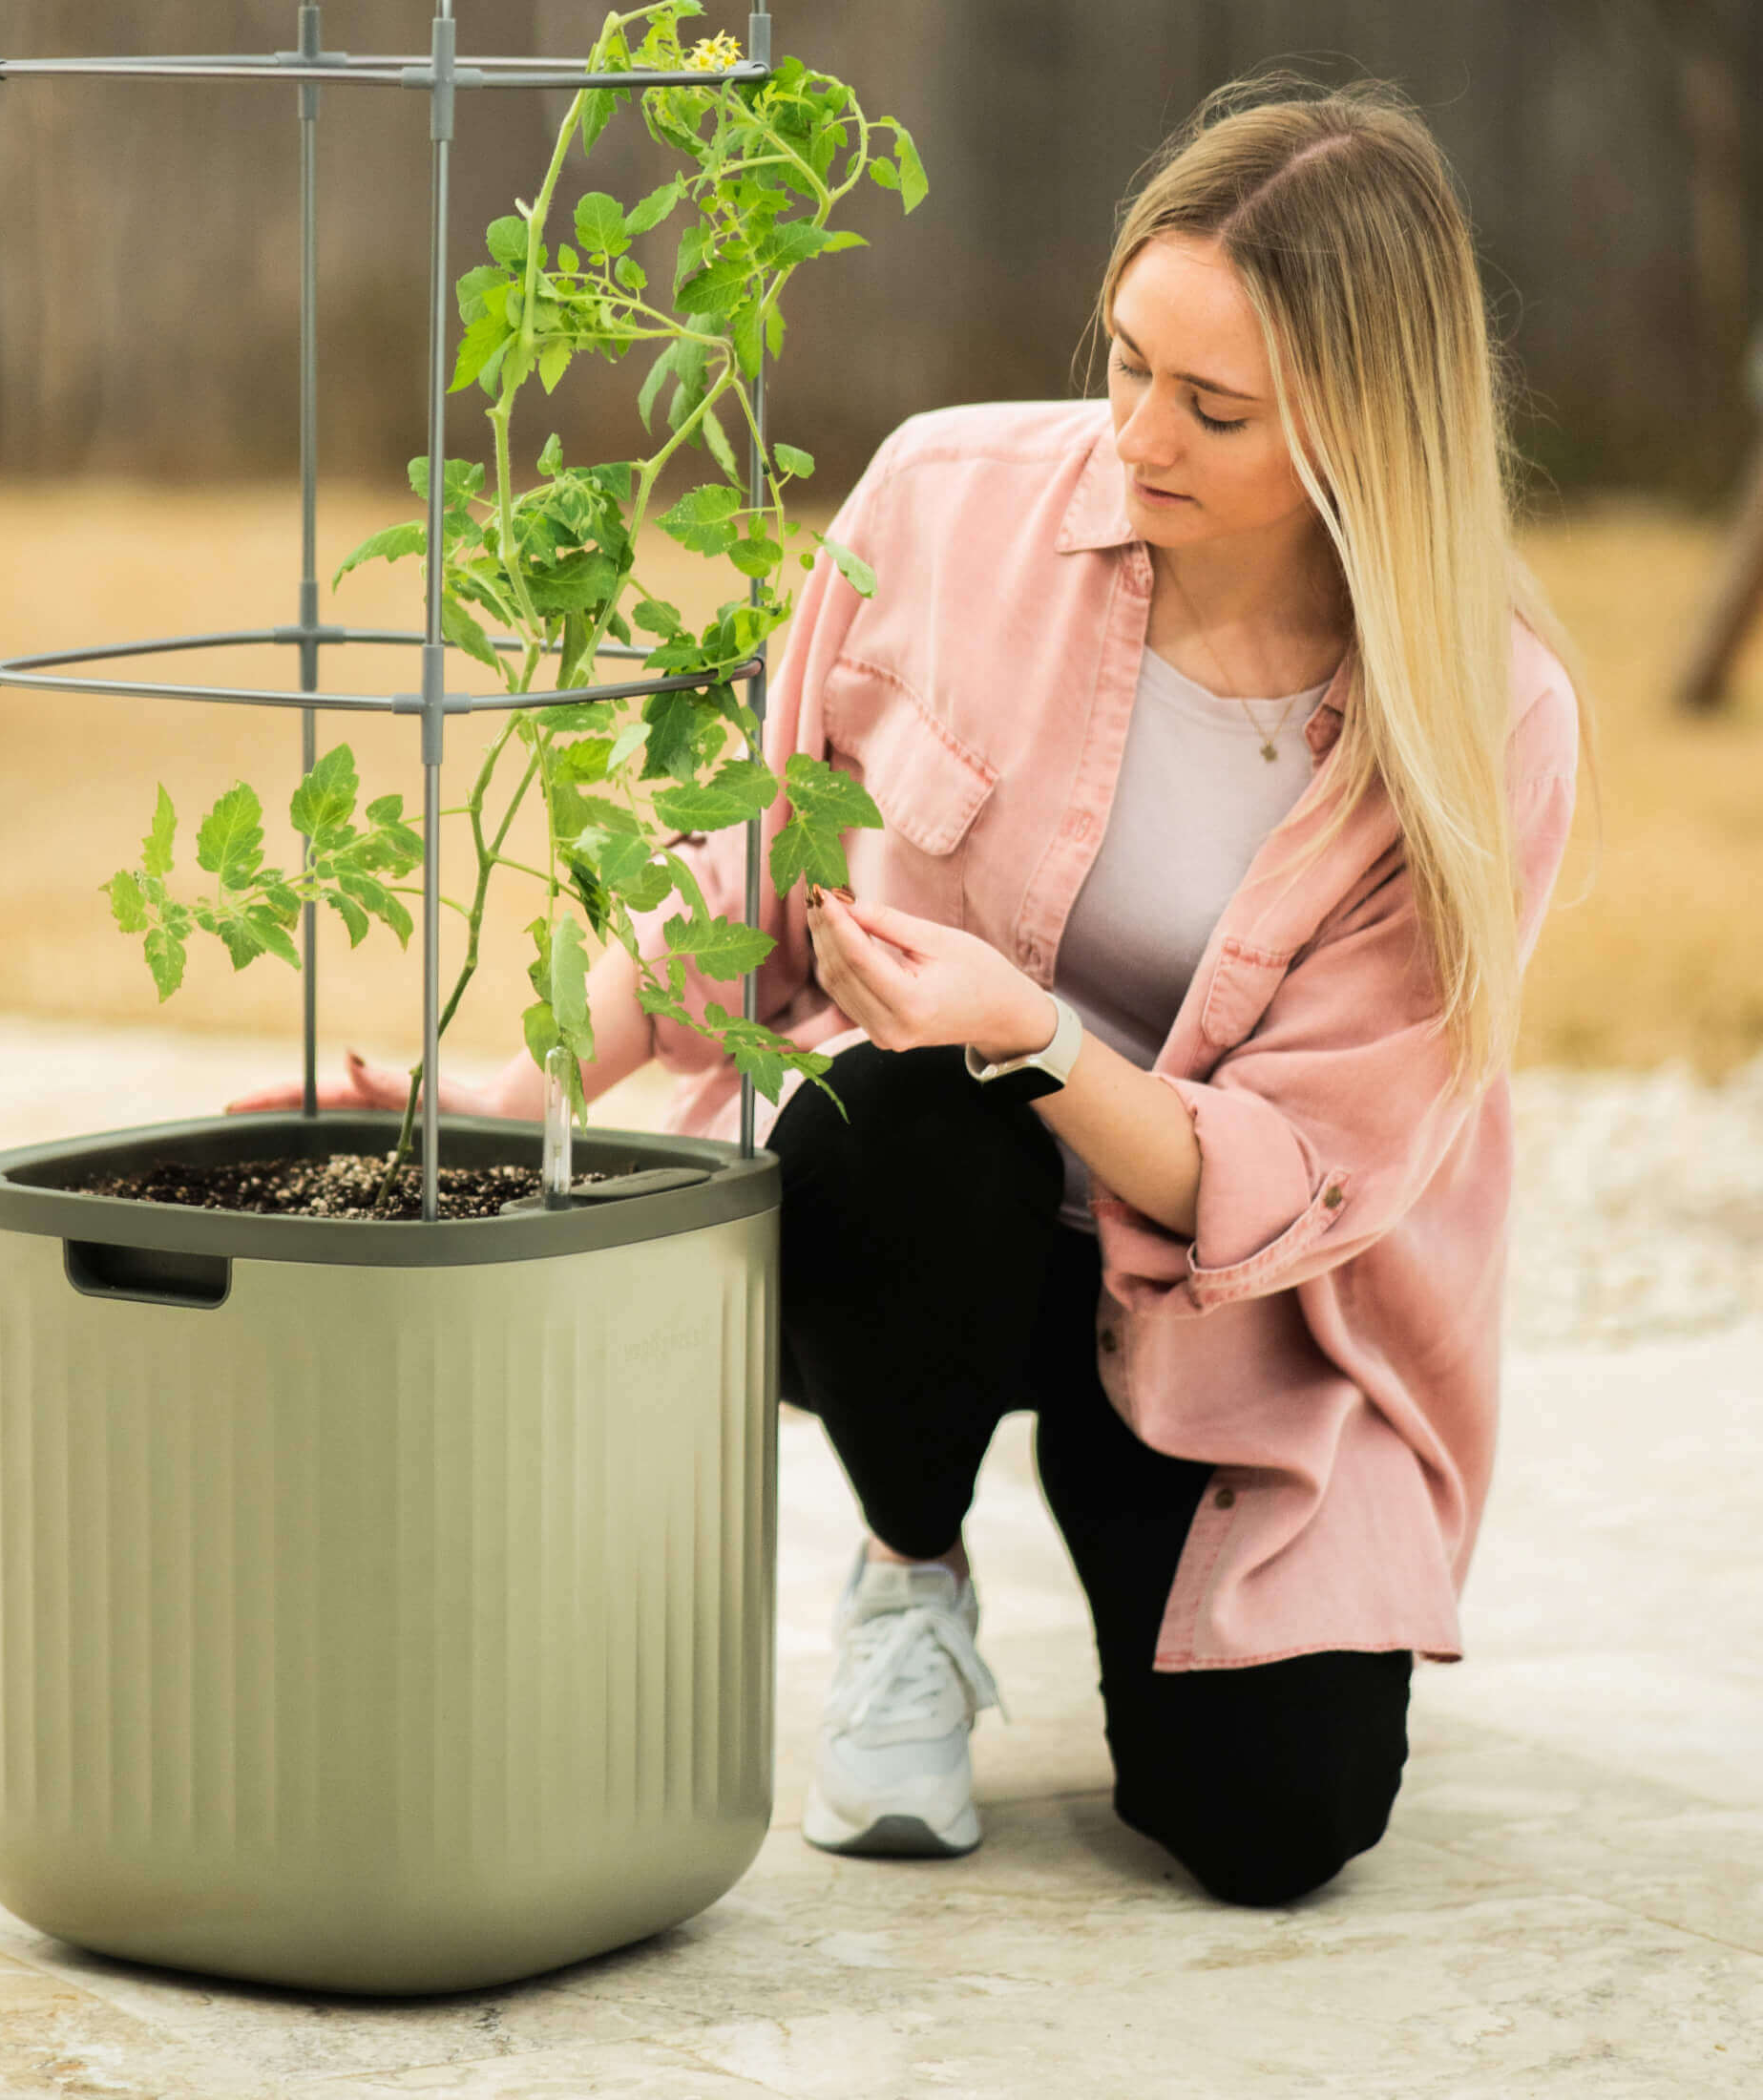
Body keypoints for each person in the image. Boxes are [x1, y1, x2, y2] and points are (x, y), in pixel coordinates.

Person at [231, 71, 1602, 1908]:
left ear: (1368, 426)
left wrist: (1035, 1034)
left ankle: (1115, 1516)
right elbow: (763, 863)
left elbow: (1304, 1170)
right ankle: (910, 1560)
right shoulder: (951, 503)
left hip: (1225, 1319)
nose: (1136, 434)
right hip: (914, 1231)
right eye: (1124, 360)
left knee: (1279, 1827)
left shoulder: (1482, 717)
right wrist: (528, 1087)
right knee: (904, 1110)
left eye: (1214, 408)